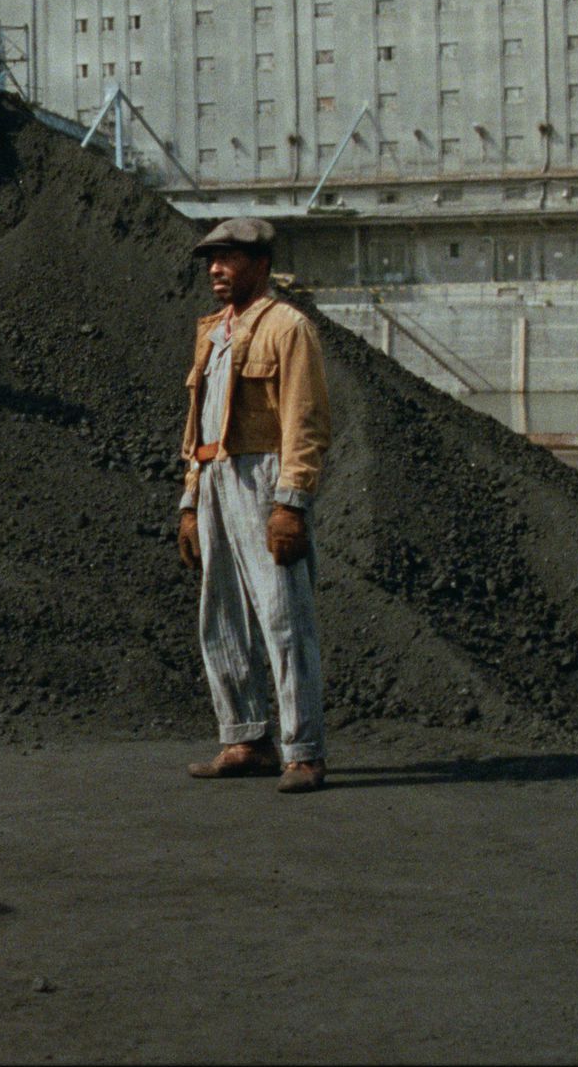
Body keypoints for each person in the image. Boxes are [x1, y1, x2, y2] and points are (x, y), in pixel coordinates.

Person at [173, 217, 333, 794]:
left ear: (260, 264)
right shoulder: (213, 333)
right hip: (216, 476)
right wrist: (190, 501)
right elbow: (199, 425)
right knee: (221, 617)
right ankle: (245, 737)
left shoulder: (288, 328)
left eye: (229, 258)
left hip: (263, 477)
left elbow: (305, 421)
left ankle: (304, 752)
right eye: (211, 259)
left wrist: (290, 502)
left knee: (284, 619)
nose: (216, 268)